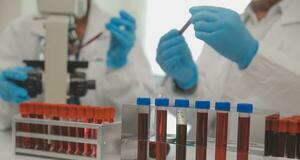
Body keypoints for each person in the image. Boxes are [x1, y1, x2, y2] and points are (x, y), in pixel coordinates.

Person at [0, 0, 154, 129]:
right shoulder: (19, 31)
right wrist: (5, 96)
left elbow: (146, 121)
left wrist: (119, 70)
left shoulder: (119, 34)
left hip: (99, 152)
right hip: (33, 148)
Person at [157, 0, 300, 117]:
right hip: (207, 148)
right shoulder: (227, 25)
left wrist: (250, 55)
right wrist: (187, 85)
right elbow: (198, 117)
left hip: (273, 151)